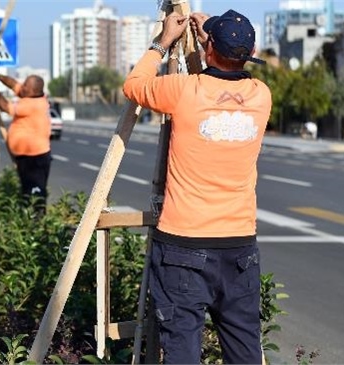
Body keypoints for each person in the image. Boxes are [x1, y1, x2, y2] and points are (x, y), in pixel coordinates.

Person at [122, 10, 271, 364]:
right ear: (249, 53)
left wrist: (162, 43)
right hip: (239, 246)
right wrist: (212, 39)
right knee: (244, 350)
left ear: (208, 50)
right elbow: (227, 63)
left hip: (183, 246)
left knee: (182, 351)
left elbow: (134, 85)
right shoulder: (261, 97)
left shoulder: (184, 91)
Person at [0, 71, 51, 213]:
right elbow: (14, 84)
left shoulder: (32, 104)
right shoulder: (33, 95)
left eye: (26, 85)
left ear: (33, 90)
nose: (22, 86)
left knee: (35, 190)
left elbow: (3, 106)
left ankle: (37, 220)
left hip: (34, 156)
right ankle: (30, 216)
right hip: (27, 155)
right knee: (27, 187)